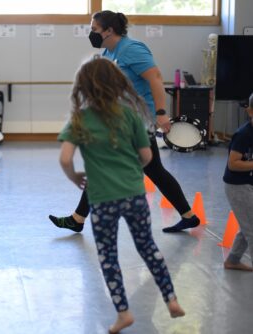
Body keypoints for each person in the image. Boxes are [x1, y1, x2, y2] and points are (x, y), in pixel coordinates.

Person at [59, 57, 185, 333]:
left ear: (82, 87)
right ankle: (172, 300)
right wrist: (130, 172)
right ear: (117, 82)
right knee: (148, 248)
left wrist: (75, 177)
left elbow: (66, 158)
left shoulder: (79, 119)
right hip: (134, 195)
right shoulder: (129, 114)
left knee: (108, 256)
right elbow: (147, 156)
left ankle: (124, 313)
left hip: (102, 200)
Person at [49, 10, 199, 233]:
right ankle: (188, 216)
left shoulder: (132, 49)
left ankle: (78, 218)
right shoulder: (109, 55)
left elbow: (155, 78)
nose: (91, 34)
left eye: (94, 30)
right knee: (155, 170)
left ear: (109, 30)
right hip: (121, 121)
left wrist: (160, 112)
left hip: (138, 121)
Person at [222, 93, 253, 272]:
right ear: (250, 111)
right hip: (238, 186)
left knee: (248, 224)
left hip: (249, 183)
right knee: (251, 228)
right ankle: (232, 260)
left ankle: (233, 260)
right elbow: (233, 164)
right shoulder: (243, 135)